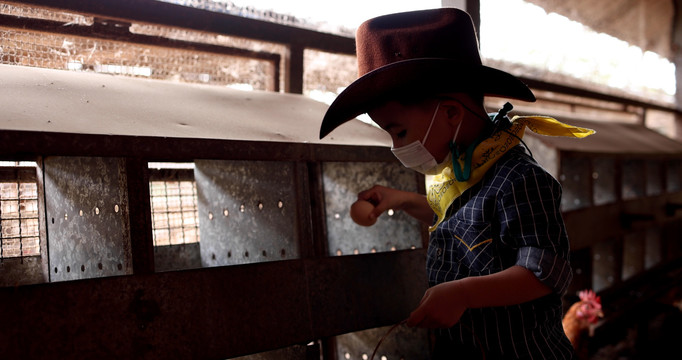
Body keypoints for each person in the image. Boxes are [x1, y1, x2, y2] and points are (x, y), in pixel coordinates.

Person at [319, 7, 595, 360]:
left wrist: (463, 294)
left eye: (400, 131)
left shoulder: (520, 179)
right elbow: (462, 221)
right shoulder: (462, 171)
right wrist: (401, 200)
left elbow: (544, 272)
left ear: (450, 113)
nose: (397, 147)